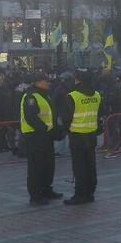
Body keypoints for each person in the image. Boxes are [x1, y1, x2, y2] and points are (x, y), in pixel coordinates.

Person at [59, 70, 104, 205]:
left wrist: (67, 130)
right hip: (91, 135)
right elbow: (99, 114)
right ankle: (90, 193)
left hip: (77, 136)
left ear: (78, 80)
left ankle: (80, 195)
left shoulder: (72, 96)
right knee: (91, 165)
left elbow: (66, 119)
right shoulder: (97, 95)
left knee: (79, 167)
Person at [20, 72, 62, 205]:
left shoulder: (45, 95)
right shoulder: (31, 96)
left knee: (48, 165)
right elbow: (31, 117)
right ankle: (35, 195)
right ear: (37, 82)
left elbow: (51, 114)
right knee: (36, 166)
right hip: (35, 136)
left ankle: (46, 190)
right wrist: (45, 129)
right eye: (45, 81)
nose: (48, 83)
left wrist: (55, 130)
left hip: (46, 135)